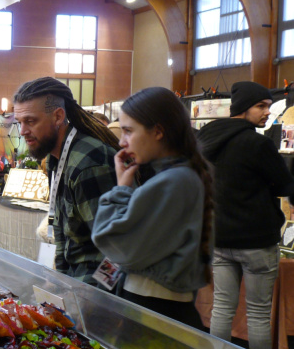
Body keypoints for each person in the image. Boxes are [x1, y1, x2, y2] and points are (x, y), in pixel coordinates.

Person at [91, 87, 212, 328]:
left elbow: (115, 243)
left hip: (153, 309)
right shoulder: (177, 177)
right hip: (152, 305)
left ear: (157, 131)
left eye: (128, 131)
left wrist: (121, 191)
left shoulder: (174, 181)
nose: (121, 142)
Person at [198, 81, 294, 349]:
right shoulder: (257, 143)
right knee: (259, 314)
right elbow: (285, 185)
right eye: (261, 106)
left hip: (219, 238)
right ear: (243, 108)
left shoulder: (206, 140)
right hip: (256, 241)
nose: (267, 112)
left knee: (222, 308)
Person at [13, 77, 118, 286]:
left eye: (30, 121)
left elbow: (117, 252)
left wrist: (96, 302)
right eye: (20, 122)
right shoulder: (56, 158)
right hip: (71, 285)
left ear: (58, 116)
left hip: (92, 293)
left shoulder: (88, 164)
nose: (23, 131)